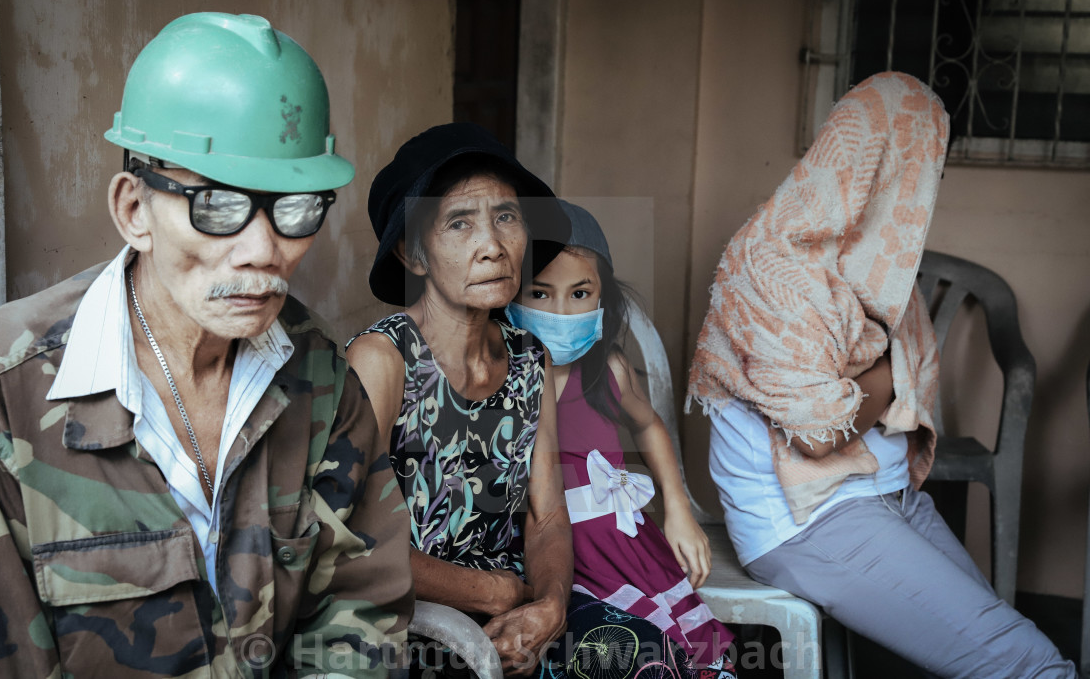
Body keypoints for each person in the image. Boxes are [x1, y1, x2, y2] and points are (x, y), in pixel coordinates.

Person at [0, 12, 413, 678]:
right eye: (218, 206)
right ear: (134, 211)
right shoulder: (14, 380)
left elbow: (360, 607)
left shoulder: (318, 370)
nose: (265, 250)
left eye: (296, 208)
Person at [687, 71, 1076, 677]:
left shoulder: (883, 268)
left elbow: (861, 398)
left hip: (889, 497)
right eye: (925, 171)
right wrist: (892, 369)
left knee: (1000, 645)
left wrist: (868, 378)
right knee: (1032, 664)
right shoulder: (769, 263)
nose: (928, 193)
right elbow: (818, 434)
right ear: (885, 167)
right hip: (808, 519)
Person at [347, 122, 700, 678]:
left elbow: (546, 514)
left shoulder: (527, 356)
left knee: (649, 660)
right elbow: (354, 543)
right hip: (407, 617)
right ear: (412, 254)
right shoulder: (383, 359)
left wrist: (551, 607)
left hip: (520, 606)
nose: (492, 246)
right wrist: (496, 592)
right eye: (460, 222)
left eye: (506, 217)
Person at [505, 200, 737, 676]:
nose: (561, 310)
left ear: (602, 300)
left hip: (622, 546)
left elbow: (649, 426)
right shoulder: (501, 381)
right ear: (509, 296)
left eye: (580, 293)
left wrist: (677, 510)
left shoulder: (608, 370)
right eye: (540, 294)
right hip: (556, 557)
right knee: (623, 652)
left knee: (689, 651)